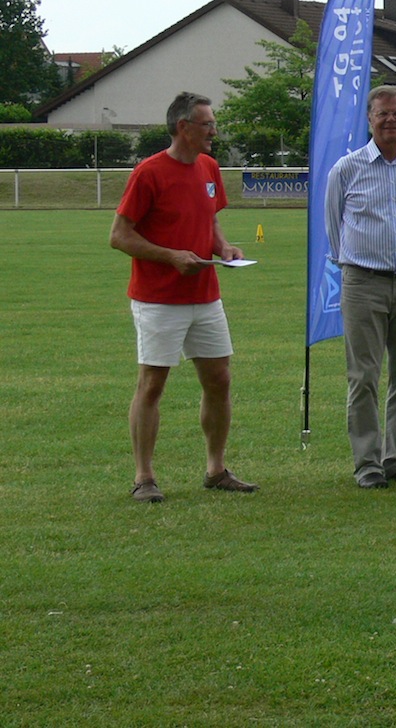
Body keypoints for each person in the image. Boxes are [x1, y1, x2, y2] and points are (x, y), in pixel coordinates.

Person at [111, 91, 257, 502]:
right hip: (158, 298)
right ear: (183, 127)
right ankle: (144, 478)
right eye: (207, 124)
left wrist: (224, 248)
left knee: (219, 379)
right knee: (152, 385)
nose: (214, 131)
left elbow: (210, 221)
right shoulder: (149, 172)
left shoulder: (209, 167)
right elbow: (119, 236)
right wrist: (171, 256)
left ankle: (216, 469)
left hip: (205, 295)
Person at [326, 85, 396, 487]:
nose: (391, 120)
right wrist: (355, 266)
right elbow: (334, 227)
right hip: (363, 283)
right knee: (364, 377)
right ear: (369, 119)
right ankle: (368, 465)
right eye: (382, 113)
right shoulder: (347, 169)